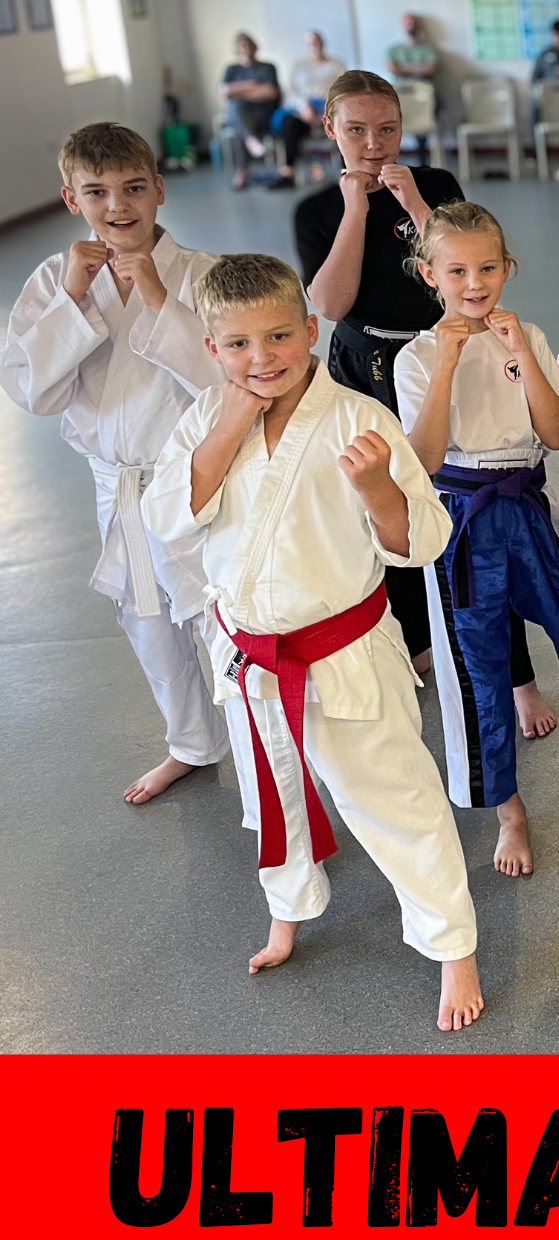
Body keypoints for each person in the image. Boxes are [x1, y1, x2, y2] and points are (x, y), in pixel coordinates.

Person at [143, 253, 484, 1032]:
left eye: (277, 336)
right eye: (238, 344)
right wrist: (230, 427)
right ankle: (289, 909)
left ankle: (452, 944)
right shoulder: (205, 417)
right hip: (251, 657)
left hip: (343, 653)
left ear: (309, 329)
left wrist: (379, 488)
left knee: (395, 798)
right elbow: (167, 518)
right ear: (212, 349)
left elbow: (424, 541)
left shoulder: (359, 419)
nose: (261, 358)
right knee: (273, 795)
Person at [0, 123, 238, 808]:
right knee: (147, 622)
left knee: (221, 615)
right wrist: (72, 302)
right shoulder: (55, 280)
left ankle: (263, 739)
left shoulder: (205, 274)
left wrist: (161, 302)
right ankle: (191, 741)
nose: (117, 205)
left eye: (133, 188)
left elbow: (231, 384)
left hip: (196, 479)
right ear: (71, 199)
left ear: (159, 190)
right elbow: (32, 392)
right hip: (117, 484)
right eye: (97, 192)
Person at [298, 72, 531, 705]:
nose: (374, 144)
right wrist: (356, 209)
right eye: (357, 130)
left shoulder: (435, 185)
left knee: (465, 491)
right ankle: (415, 639)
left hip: (442, 347)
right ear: (330, 129)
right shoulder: (317, 209)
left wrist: (417, 208)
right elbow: (330, 304)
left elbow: (463, 264)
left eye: (388, 129)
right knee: (384, 499)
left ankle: (515, 673)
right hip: (365, 360)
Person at [395, 202, 559, 879]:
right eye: (457, 271)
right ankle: (509, 810)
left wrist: (521, 355)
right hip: (460, 518)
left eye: (487, 268)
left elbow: (557, 433)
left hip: (525, 504)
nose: (474, 283)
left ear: (507, 268)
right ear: (430, 274)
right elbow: (423, 458)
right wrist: (448, 363)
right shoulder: (417, 357)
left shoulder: (525, 336)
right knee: (477, 669)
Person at [271, 30, 346, 188]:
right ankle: (287, 172)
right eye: (310, 42)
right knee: (289, 123)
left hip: (330, 111)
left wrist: (327, 109)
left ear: (323, 43)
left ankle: (346, 173)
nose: (314, 45)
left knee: (344, 124)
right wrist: (303, 106)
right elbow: (291, 92)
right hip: (304, 114)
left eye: (317, 41)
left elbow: (344, 90)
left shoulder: (336, 65)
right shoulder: (298, 66)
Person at [220, 32, 281, 191]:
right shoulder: (231, 69)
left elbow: (271, 92)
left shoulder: (268, 67)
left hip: (263, 115)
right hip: (239, 114)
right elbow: (224, 91)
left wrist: (239, 91)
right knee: (235, 109)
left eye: (248, 44)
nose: (245, 48)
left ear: (255, 47)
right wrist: (252, 85)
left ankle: (241, 173)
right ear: (236, 49)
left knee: (238, 123)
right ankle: (251, 141)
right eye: (241, 45)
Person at [388, 12, 439, 81]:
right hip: (398, 85)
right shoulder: (393, 49)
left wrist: (405, 68)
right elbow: (392, 69)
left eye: (413, 22)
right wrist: (420, 68)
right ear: (403, 25)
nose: (411, 25)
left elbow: (431, 69)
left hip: (422, 85)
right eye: (408, 23)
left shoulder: (428, 48)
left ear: (419, 25)